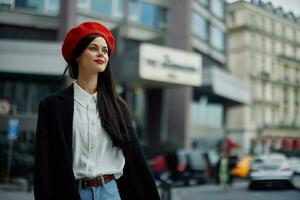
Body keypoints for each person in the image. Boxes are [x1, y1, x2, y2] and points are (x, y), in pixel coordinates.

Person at [34, 21, 160, 200]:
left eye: (105, 50)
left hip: (111, 192)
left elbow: (136, 160)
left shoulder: (118, 107)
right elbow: (43, 166)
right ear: (77, 55)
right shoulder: (52, 106)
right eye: (93, 48)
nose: (101, 53)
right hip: (72, 193)